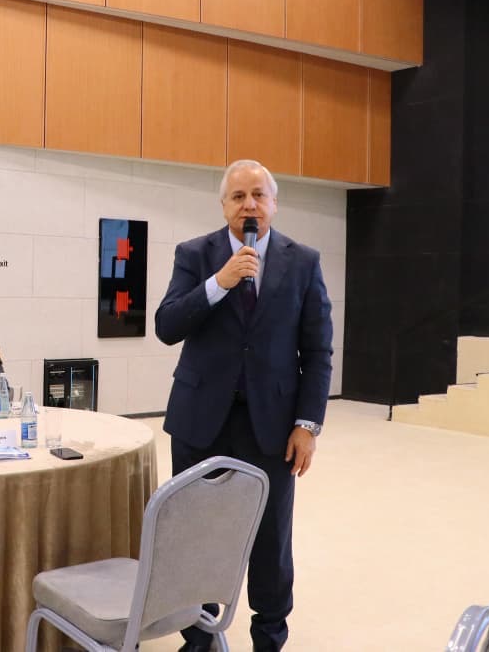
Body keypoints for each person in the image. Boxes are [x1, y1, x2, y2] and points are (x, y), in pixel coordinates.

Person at [155, 160, 332, 652]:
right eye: (238, 196)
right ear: (223, 205)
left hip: (272, 426)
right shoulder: (195, 254)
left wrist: (307, 425)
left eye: (258, 195)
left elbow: (318, 351)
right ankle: (200, 637)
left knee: (271, 538)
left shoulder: (304, 261)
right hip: (199, 421)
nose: (249, 205)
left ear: (274, 203)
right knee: (196, 533)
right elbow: (167, 326)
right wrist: (220, 282)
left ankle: (269, 637)